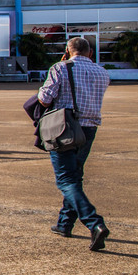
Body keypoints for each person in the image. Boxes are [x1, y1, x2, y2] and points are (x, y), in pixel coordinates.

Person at [39, 37, 112, 250]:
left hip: (65, 128)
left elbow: (45, 98)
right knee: (75, 176)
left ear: (68, 51)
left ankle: (94, 223)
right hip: (89, 130)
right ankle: (64, 224)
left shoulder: (60, 68)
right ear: (90, 53)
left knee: (65, 180)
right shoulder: (102, 72)